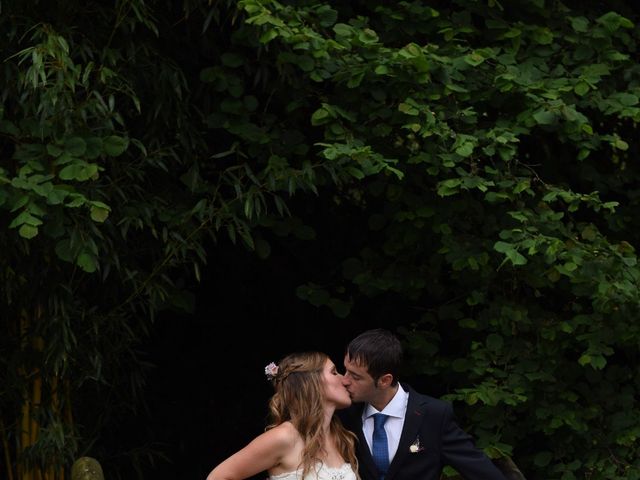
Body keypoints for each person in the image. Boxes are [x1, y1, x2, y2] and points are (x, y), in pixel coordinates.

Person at [339, 329, 508, 480]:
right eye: (345, 370)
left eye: (355, 377)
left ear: (384, 380)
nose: (344, 380)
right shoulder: (344, 413)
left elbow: (483, 472)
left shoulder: (434, 415)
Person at [206, 351, 360, 480]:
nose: (345, 380)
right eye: (334, 372)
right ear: (311, 383)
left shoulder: (341, 438)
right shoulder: (285, 436)